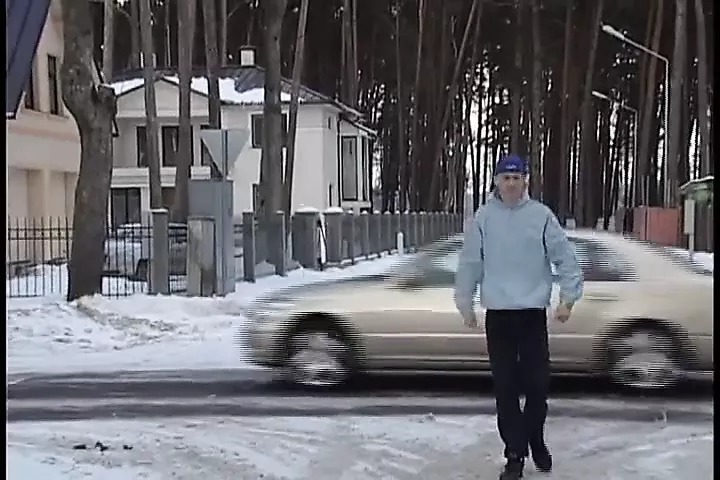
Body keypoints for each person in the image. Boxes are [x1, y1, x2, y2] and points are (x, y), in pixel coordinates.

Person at [454, 154, 584, 480]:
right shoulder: (484, 218)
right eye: (505, 178)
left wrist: (568, 299)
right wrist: (465, 303)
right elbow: (470, 263)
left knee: (538, 386)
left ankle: (534, 437)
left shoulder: (541, 216)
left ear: (526, 180)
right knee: (506, 389)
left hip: (531, 315)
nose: (511, 184)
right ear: (496, 182)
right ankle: (515, 454)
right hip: (499, 316)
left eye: (516, 178)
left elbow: (565, 258)